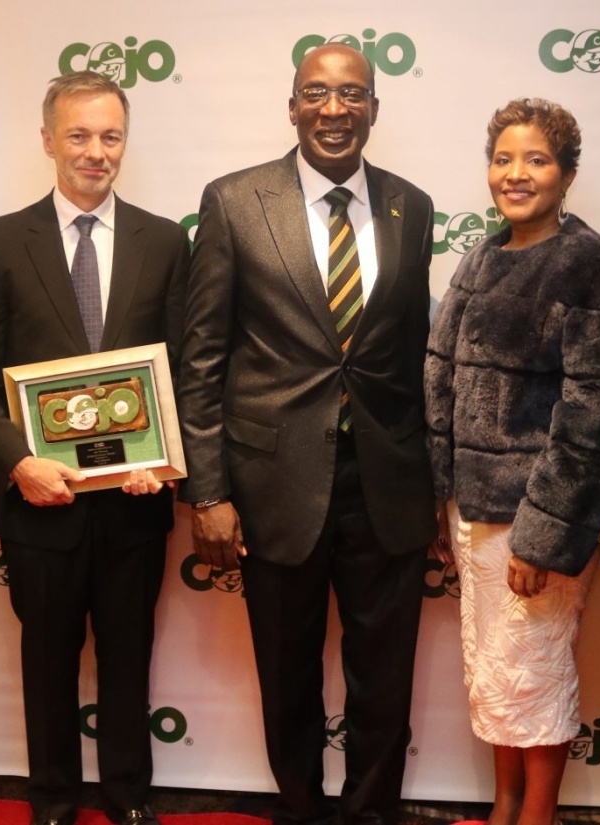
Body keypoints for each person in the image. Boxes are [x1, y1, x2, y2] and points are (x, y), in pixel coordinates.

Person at [177, 43, 436, 825]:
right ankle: (300, 809)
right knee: (286, 672)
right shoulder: (233, 201)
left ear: (374, 110)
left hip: (386, 482)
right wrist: (210, 489)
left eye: (352, 94)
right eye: (316, 94)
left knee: (383, 678)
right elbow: (202, 358)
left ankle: (371, 813)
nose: (335, 109)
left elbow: (410, 352)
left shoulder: (412, 206)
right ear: (292, 107)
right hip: (272, 484)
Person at [0, 71, 190, 825]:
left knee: (129, 660)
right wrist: (18, 463)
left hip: (134, 505)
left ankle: (128, 795)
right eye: (80, 135)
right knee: (46, 662)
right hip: (39, 505)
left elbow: (182, 369)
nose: (96, 152)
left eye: (111, 135)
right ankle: (52, 797)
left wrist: (160, 458)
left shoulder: (164, 240)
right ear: (49, 138)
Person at [424, 98, 600, 825]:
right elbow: (445, 380)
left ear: (568, 172)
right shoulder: (483, 254)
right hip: (473, 514)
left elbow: (596, 413)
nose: (515, 174)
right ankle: (505, 804)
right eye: (504, 159)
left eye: (537, 160)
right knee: (496, 677)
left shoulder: (590, 264)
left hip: (534, 519)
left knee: (534, 677)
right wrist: (442, 496)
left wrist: (544, 534)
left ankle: (535, 815)